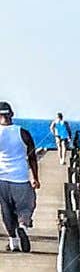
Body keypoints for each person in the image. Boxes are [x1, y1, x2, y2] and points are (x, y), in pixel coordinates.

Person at [0, 103, 38, 254]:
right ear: (12, 114)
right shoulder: (23, 132)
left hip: (2, 179)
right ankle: (23, 226)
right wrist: (35, 177)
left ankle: (13, 243)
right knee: (26, 207)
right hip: (20, 178)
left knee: (6, 211)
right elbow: (32, 157)